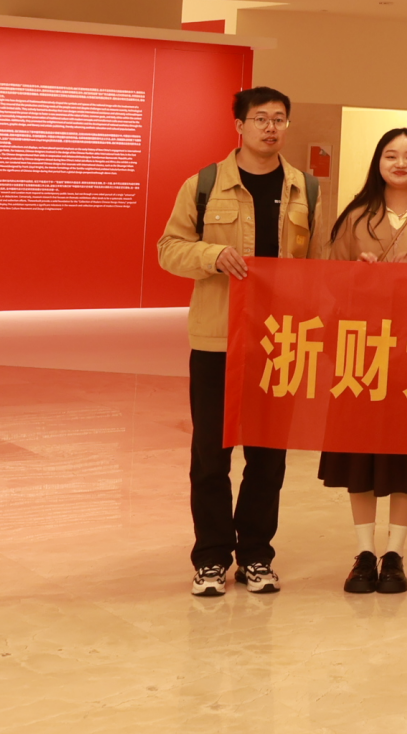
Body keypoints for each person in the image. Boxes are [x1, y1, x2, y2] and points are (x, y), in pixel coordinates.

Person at [157, 86, 319, 598]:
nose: (271, 127)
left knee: (268, 458)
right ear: (240, 126)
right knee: (211, 454)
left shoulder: (305, 189)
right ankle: (210, 557)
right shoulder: (205, 184)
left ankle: (255, 555)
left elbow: (319, 262)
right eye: (261, 118)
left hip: (280, 342)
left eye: (279, 119)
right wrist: (210, 255)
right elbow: (168, 248)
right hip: (217, 341)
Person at [317, 127, 407, 595]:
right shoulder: (356, 217)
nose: (400, 163)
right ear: (378, 162)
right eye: (391, 155)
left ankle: (395, 553)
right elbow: (330, 281)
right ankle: (364, 552)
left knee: (406, 454)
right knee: (360, 451)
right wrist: (358, 278)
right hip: (363, 350)